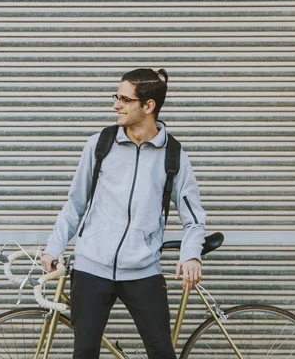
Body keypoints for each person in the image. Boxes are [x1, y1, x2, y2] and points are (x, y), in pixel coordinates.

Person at [40, 68, 206, 359]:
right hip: (92, 267)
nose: (115, 104)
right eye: (116, 97)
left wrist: (191, 254)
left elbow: (193, 218)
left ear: (148, 106)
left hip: (143, 270)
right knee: (85, 352)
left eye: (124, 99)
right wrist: (53, 247)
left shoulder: (173, 156)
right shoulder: (100, 144)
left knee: (161, 352)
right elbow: (75, 203)